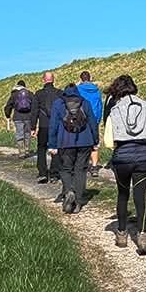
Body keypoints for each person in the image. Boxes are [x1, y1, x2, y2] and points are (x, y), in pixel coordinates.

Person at [104, 75, 146, 254]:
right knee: (140, 197)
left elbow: (108, 141)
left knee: (122, 194)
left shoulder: (115, 109)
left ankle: (121, 233)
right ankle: (142, 235)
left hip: (123, 157)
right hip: (144, 156)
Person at [47, 84, 99, 213]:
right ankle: (79, 201)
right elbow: (92, 121)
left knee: (65, 169)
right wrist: (95, 141)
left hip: (65, 141)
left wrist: (52, 144)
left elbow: (53, 125)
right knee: (81, 170)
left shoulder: (58, 103)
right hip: (85, 140)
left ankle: (69, 189)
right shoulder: (84, 102)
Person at [32, 72, 64, 184]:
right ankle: (54, 174)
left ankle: (43, 174)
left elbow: (34, 111)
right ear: (53, 80)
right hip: (56, 126)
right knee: (55, 149)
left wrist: (32, 127)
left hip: (43, 125)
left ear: (43, 80)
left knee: (41, 149)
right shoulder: (60, 93)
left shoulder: (39, 94)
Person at [76, 71, 104, 180]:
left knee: (81, 142)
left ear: (81, 79)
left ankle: (82, 165)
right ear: (90, 78)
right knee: (94, 143)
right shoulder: (96, 90)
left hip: (81, 120)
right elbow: (100, 106)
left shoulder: (78, 90)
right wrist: (98, 119)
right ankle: (94, 166)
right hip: (94, 120)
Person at [4, 79, 36, 157]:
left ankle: (22, 152)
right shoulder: (30, 94)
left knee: (19, 133)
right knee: (27, 134)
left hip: (17, 117)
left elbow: (8, 106)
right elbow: (35, 106)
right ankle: (27, 150)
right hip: (28, 117)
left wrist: (8, 115)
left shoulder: (14, 94)